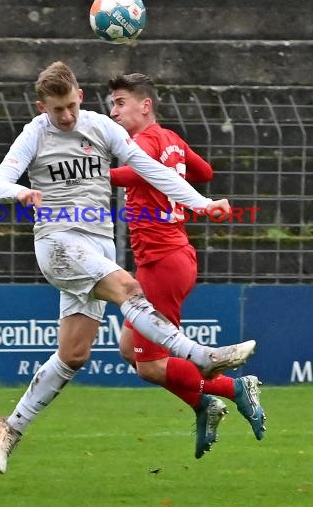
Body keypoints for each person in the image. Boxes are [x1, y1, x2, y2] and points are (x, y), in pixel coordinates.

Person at [0, 60, 256, 474]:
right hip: (57, 243)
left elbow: (151, 169)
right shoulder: (34, 134)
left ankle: (12, 426)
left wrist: (201, 203)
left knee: (73, 355)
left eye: (71, 106)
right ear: (43, 108)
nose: (67, 117)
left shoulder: (99, 126)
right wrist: (20, 193)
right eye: (57, 110)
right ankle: (201, 356)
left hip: (96, 246)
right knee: (129, 289)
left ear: (80, 96)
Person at [108, 73, 266, 458]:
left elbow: (133, 173)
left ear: (145, 105)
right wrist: (177, 178)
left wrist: (86, 175)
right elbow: (205, 173)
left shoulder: (142, 143)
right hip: (173, 258)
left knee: (151, 366)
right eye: (111, 103)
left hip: (162, 262)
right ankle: (204, 404)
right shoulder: (170, 139)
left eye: (120, 102)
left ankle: (233, 390)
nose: (113, 111)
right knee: (129, 348)